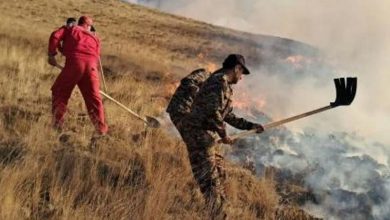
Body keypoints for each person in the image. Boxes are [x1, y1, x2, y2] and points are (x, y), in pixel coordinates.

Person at [180, 54, 264, 218]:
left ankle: (218, 213)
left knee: (216, 179)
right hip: (199, 137)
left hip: (205, 137)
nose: (241, 78)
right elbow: (213, 113)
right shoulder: (218, 82)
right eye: (241, 74)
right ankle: (217, 215)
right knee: (210, 183)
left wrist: (251, 126)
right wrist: (224, 135)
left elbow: (228, 115)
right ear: (237, 68)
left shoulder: (222, 84)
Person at [47, 16, 108, 135]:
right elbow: (96, 56)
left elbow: (55, 36)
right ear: (89, 26)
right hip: (92, 69)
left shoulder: (71, 28)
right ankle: (101, 130)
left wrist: (51, 54)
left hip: (74, 64)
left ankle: (58, 126)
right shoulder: (95, 38)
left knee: (60, 92)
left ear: (79, 23)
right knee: (94, 99)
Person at [166, 68, 212, 135]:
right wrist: (196, 90)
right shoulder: (205, 73)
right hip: (180, 108)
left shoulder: (212, 86)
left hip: (186, 111)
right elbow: (187, 80)